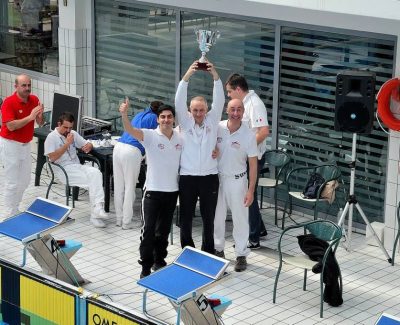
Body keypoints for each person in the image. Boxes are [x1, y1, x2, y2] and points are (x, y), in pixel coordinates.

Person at [119, 99, 182, 278]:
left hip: (171, 192)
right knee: (148, 231)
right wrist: (124, 114)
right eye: (163, 117)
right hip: (152, 192)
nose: (166, 120)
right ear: (157, 119)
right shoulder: (150, 135)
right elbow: (130, 130)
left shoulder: (180, 137)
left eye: (169, 117)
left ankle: (159, 260)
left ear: (174, 119)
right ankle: (145, 266)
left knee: (163, 232)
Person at [175, 61, 224, 254]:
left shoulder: (212, 120)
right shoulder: (185, 123)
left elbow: (219, 100)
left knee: (208, 217)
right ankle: (187, 249)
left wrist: (216, 76)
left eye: (201, 110)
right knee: (186, 217)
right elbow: (179, 100)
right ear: (189, 110)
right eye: (195, 110)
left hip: (210, 177)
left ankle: (208, 250)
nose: (198, 114)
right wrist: (187, 76)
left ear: (206, 110)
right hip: (188, 177)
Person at [225, 73, 270, 249]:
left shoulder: (254, 104)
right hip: (247, 155)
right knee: (249, 194)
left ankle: (253, 238)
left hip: (253, 157)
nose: (228, 95)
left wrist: (247, 150)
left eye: (229, 91)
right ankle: (260, 229)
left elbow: (264, 131)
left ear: (238, 89)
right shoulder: (245, 103)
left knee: (247, 195)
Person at [214, 99, 258, 272]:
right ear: (227, 110)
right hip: (218, 179)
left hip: (238, 181)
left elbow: (253, 165)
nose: (235, 113)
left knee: (240, 219)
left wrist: (251, 190)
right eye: (232, 109)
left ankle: (241, 254)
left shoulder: (248, 135)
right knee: (217, 217)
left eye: (239, 110)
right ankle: (218, 250)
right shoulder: (217, 127)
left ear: (243, 112)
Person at [44, 112, 108, 228]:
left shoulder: (72, 133)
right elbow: (52, 157)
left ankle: (98, 208)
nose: (68, 130)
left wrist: (89, 145)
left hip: (77, 166)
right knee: (93, 181)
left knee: (96, 173)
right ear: (59, 124)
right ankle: (96, 214)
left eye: (70, 127)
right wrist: (67, 144)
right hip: (63, 170)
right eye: (65, 127)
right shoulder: (51, 138)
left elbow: (85, 143)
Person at [0, 74, 44, 219]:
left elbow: (40, 123)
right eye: (24, 85)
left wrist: (39, 116)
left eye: (29, 85)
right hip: (10, 144)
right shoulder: (8, 102)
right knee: (12, 181)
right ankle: (8, 213)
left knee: (25, 180)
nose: (27, 88)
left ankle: (15, 208)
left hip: (25, 145)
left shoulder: (34, 99)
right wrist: (30, 117)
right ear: (16, 86)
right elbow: (11, 126)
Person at [113, 100, 161, 229]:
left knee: (118, 186)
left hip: (118, 147)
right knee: (130, 187)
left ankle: (118, 219)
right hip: (132, 151)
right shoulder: (155, 119)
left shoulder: (140, 114)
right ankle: (126, 222)